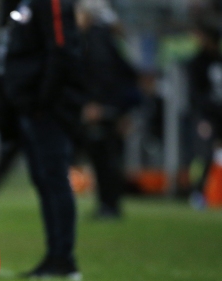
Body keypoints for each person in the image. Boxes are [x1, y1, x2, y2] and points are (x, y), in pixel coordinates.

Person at [0, 0, 84, 279]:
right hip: (27, 105)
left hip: (45, 108)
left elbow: (61, 49)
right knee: (43, 180)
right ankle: (55, 255)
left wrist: (42, 101)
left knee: (53, 179)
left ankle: (63, 258)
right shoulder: (21, 5)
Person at [76, 1, 140, 219]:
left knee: (104, 157)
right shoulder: (110, 39)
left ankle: (109, 206)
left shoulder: (96, 39)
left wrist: (98, 105)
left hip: (104, 108)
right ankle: (108, 205)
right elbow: (128, 72)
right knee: (106, 157)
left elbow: (102, 76)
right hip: (114, 106)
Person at [186, 21, 222, 209]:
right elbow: (194, 95)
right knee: (205, 154)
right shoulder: (197, 62)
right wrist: (203, 117)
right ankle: (197, 193)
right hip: (206, 116)